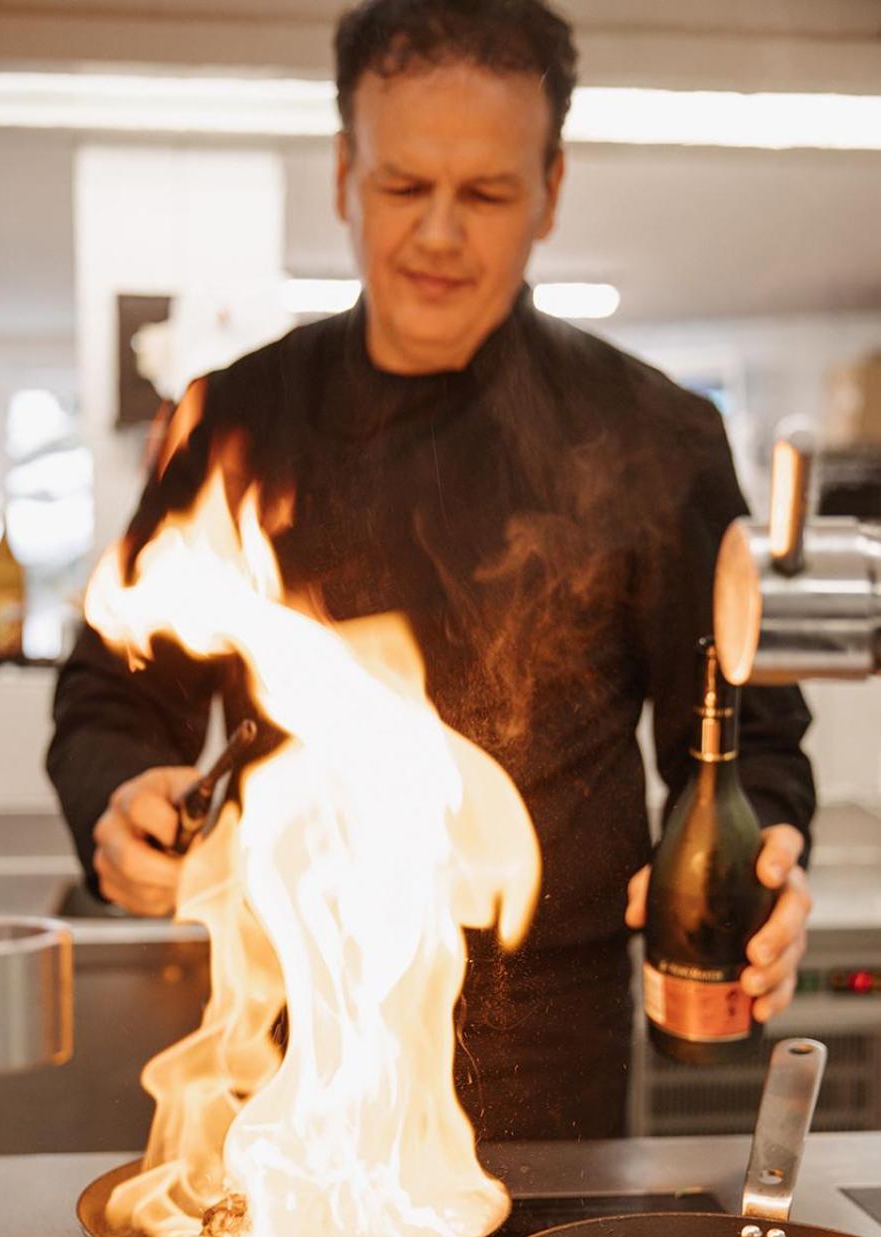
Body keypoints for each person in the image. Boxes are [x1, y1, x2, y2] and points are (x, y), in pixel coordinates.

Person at [48, 0, 814, 1141]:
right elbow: (112, 697)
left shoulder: (656, 437)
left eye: (487, 193)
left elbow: (745, 731)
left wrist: (768, 855)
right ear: (342, 176)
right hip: (285, 1021)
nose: (439, 235)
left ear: (551, 187)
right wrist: (119, 795)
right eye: (404, 186)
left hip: (545, 1044)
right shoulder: (235, 420)